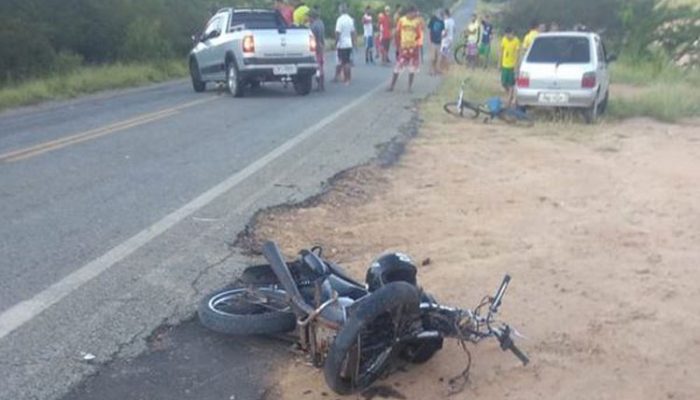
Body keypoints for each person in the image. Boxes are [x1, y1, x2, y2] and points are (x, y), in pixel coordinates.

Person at [388, 5, 423, 92]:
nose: (415, 14)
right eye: (414, 13)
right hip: (404, 47)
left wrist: (418, 44)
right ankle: (392, 86)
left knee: (412, 69)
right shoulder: (402, 20)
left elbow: (420, 34)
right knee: (398, 67)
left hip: (413, 48)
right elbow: (397, 31)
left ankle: (409, 87)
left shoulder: (417, 22)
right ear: (409, 13)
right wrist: (395, 42)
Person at [335, 3, 356, 85]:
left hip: (342, 43)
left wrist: (336, 42)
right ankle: (348, 78)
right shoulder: (350, 19)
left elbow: (337, 33)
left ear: (341, 10)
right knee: (347, 61)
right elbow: (353, 32)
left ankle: (347, 79)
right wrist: (354, 42)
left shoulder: (339, 20)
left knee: (344, 62)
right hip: (349, 43)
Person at [499, 27, 520, 108]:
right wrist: (499, 62)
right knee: (504, 83)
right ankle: (510, 95)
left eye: (509, 34)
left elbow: (517, 54)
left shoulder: (516, 41)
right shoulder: (504, 40)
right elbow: (501, 51)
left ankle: (508, 101)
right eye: (506, 35)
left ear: (512, 33)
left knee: (511, 84)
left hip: (512, 65)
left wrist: (516, 66)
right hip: (505, 65)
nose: (508, 36)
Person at [309, 10, 325, 91]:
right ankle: (322, 84)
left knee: (318, 67)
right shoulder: (321, 23)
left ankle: (319, 85)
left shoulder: (313, 26)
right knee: (321, 66)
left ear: (312, 17)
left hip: (317, 47)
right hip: (322, 46)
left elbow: (314, 38)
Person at [427, 9, 445, 75]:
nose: (442, 16)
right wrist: (429, 40)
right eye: (441, 14)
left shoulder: (442, 22)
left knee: (438, 56)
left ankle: (437, 69)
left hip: (439, 41)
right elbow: (429, 30)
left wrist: (443, 36)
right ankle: (431, 70)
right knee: (432, 57)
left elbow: (443, 31)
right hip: (433, 41)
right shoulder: (433, 19)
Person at [440, 8, 455, 72]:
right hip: (450, 39)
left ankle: (445, 68)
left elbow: (445, 31)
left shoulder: (446, 21)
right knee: (446, 53)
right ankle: (444, 67)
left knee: (444, 54)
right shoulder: (452, 20)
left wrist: (441, 37)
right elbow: (454, 30)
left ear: (445, 14)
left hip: (445, 40)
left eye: (443, 14)